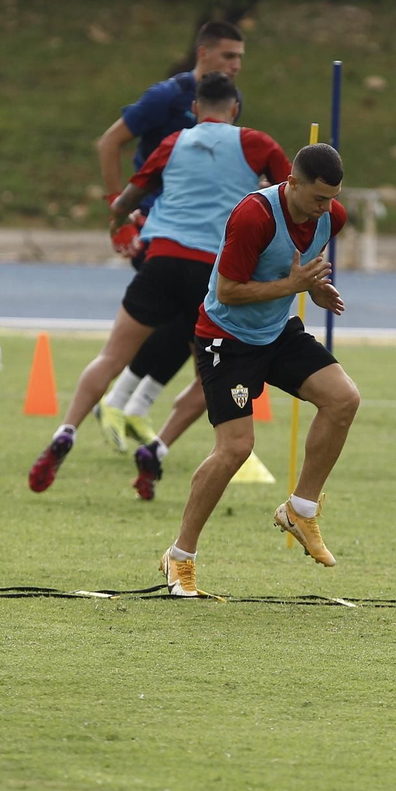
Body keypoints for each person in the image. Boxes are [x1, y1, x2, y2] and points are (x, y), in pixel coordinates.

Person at [30, 72, 290, 499]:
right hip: (214, 275)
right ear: (235, 109)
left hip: (162, 261)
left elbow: (126, 202)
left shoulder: (174, 144)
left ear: (194, 109)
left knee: (111, 356)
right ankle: (158, 446)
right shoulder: (258, 144)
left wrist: (121, 226)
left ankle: (66, 430)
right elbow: (289, 196)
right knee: (215, 376)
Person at [160, 144, 356, 599]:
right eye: (317, 198)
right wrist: (294, 286)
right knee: (236, 449)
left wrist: (318, 290)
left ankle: (300, 510)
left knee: (343, 398)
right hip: (225, 340)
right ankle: (180, 557)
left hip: (277, 331)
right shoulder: (254, 216)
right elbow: (227, 291)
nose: (324, 208)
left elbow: (297, 272)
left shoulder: (333, 217)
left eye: (332, 198)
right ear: (292, 182)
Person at [90, 22, 248, 451]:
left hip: (199, 232)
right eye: (228, 56)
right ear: (204, 52)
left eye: (240, 58)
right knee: (186, 316)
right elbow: (109, 143)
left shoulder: (230, 101)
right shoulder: (166, 97)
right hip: (155, 226)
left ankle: (132, 404)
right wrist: (118, 211)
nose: (236, 65)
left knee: (187, 321)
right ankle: (124, 400)